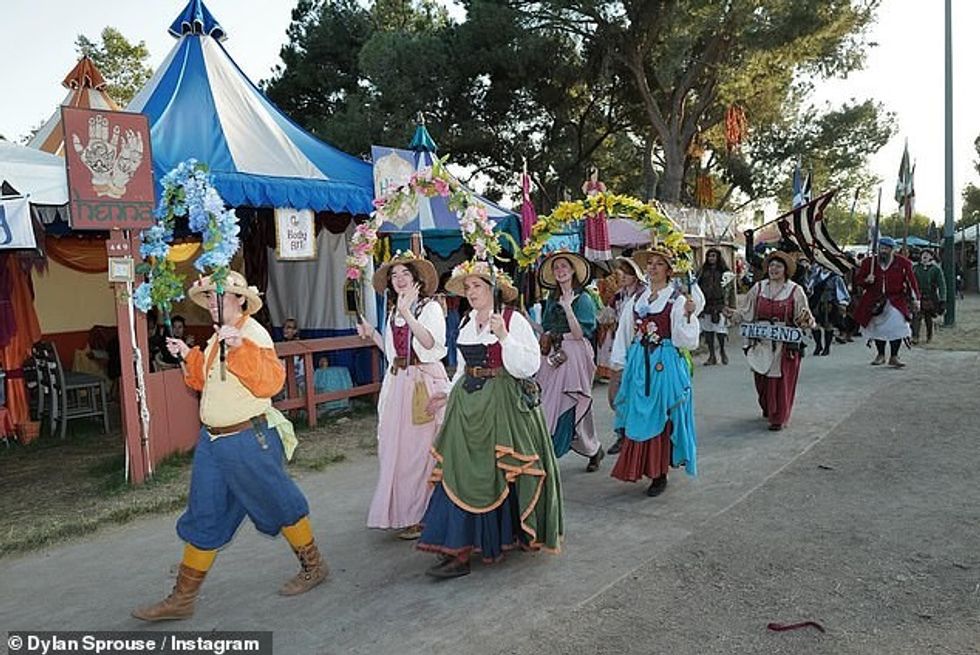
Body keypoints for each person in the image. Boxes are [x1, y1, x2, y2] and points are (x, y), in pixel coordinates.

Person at [132, 271, 326, 622]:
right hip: (213, 442)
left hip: (248, 439)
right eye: (208, 297)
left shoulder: (253, 334)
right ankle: (182, 598)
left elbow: (270, 382)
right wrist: (187, 354)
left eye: (220, 297)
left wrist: (238, 347)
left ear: (240, 300)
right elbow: (205, 382)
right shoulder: (216, 337)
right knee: (204, 513)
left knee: (280, 502)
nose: (212, 303)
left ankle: (314, 566)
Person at [416, 260, 563, 579]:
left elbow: (528, 367)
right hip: (467, 403)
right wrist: (446, 392)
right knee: (459, 471)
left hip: (502, 404)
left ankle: (478, 544)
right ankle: (457, 545)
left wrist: (505, 337)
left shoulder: (514, 320)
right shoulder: (468, 322)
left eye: (477, 286)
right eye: (467, 287)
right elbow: (462, 369)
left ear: (494, 290)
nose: (471, 292)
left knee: (495, 473)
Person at [358, 251, 449, 540]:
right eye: (394, 275)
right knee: (395, 451)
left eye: (404, 274)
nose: (398, 279)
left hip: (423, 383)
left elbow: (431, 343)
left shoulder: (430, 308)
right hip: (399, 384)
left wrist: (409, 313)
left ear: (416, 279)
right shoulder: (394, 311)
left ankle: (422, 514)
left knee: (420, 453)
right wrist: (372, 334)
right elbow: (393, 353)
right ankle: (405, 512)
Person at [610, 246, 704, 496]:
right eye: (650, 263)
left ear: (669, 271)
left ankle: (659, 472)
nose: (652, 267)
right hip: (640, 362)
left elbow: (687, 341)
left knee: (662, 415)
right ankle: (643, 466)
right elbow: (624, 332)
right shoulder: (637, 299)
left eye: (659, 263)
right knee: (639, 414)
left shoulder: (677, 299)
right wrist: (618, 364)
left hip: (664, 362)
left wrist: (688, 316)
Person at [728, 251, 815, 431]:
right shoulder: (759, 288)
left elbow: (804, 315)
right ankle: (768, 408)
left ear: (786, 270)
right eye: (771, 266)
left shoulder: (795, 290)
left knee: (781, 381)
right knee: (762, 379)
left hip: (784, 345)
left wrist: (806, 321)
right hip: (761, 342)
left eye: (779, 266)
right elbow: (746, 312)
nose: (774, 269)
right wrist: (734, 314)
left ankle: (779, 417)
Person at [534, 250, 604, 472]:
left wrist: (567, 307)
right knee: (548, 403)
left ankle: (592, 449)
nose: (560, 271)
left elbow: (579, 333)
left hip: (574, 353)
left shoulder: (583, 298)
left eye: (564, 266)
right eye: (556, 268)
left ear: (573, 270)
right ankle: (551, 449)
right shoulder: (551, 299)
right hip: (553, 354)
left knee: (574, 401)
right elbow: (545, 327)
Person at [603, 256, 648, 455]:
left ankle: (632, 435)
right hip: (619, 348)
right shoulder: (619, 295)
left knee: (636, 393)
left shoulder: (643, 295)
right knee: (616, 394)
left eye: (626, 272)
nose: (622, 276)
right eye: (620, 272)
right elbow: (606, 315)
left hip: (639, 349)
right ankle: (622, 433)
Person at [854, 237, 920, 368]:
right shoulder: (869, 263)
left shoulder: (903, 263)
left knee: (897, 327)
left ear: (892, 250)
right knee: (878, 328)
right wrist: (867, 280)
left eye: (886, 249)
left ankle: (894, 356)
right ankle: (880, 355)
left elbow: (912, 282)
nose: (883, 251)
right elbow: (858, 280)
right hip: (875, 301)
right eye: (881, 248)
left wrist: (916, 299)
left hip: (896, 300)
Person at [697, 247, 736, 365]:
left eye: (713, 256)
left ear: (718, 257)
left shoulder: (725, 272)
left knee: (721, 331)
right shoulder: (702, 272)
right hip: (706, 305)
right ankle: (712, 355)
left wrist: (731, 306)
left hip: (720, 305)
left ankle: (723, 351)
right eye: (709, 256)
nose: (711, 258)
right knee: (708, 332)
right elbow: (696, 287)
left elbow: (731, 290)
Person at [805, 263, 850, 356]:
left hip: (829, 304)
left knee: (828, 326)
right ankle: (818, 345)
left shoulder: (836, 278)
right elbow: (809, 287)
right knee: (815, 325)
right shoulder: (816, 274)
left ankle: (827, 348)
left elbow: (842, 292)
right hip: (816, 303)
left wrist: (842, 304)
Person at [912, 249, 946, 344]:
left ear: (931, 257)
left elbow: (942, 285)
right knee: (916, 316)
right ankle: (915, 337)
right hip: (918, 296)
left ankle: (929, 335)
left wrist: (943, 300)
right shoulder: (915, 268)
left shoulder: (936, 269)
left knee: (928, 317)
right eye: (923, 254)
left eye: (927, 254)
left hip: (931, 296)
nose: (925, 256)